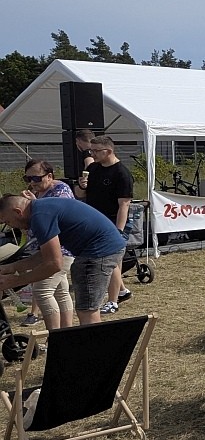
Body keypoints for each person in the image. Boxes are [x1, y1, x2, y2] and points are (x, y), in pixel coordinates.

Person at [0, 193, 125, 325]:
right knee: (87, 309)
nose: (11, 226)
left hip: (97, 252)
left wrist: (15, 281)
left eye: (8, 221)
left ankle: (96, 344)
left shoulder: (39, 217)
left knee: (87, 311)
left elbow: (54, 264)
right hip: (109, 246)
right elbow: (45, 255)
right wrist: (11, 267)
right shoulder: (41, 208)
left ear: (18, 212)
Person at [17, 160, 77, 330]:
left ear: (49, 176)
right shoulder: (41, 192)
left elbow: (52, 217)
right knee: (60, 292)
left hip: (60, 250)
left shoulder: (61, 191)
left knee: (42, 291)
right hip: (49, 250)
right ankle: (66, 334)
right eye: (27, 179)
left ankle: (56, 338)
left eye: (36, 178)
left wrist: (33, 203)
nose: (31, 183)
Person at [78, 135, 133, 314]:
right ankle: (122, 291)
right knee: (110, 261)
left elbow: (124, 204)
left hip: (111, 222)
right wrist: (81, 186)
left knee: (111, 261)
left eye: (95, 151)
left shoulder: (121, 173)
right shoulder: (93, 168)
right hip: (93, 221)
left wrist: (119, 230)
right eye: (91, 151)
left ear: (108, 151)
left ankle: (112, 301)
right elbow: (79, 194)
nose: (92, 154)